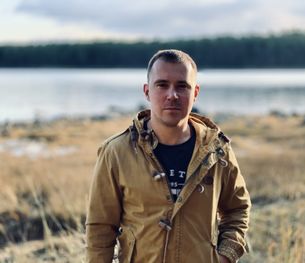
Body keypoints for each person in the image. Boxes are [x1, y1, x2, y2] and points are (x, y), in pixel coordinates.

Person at [85, 49, 251, 263]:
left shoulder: (216, 150)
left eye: (182, 86)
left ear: (195, 92)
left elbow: (238, 209)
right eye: (162, 85)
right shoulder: (116, 152)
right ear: (147, 91)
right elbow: (100, 228)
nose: (172, 95)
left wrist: (225, 256)